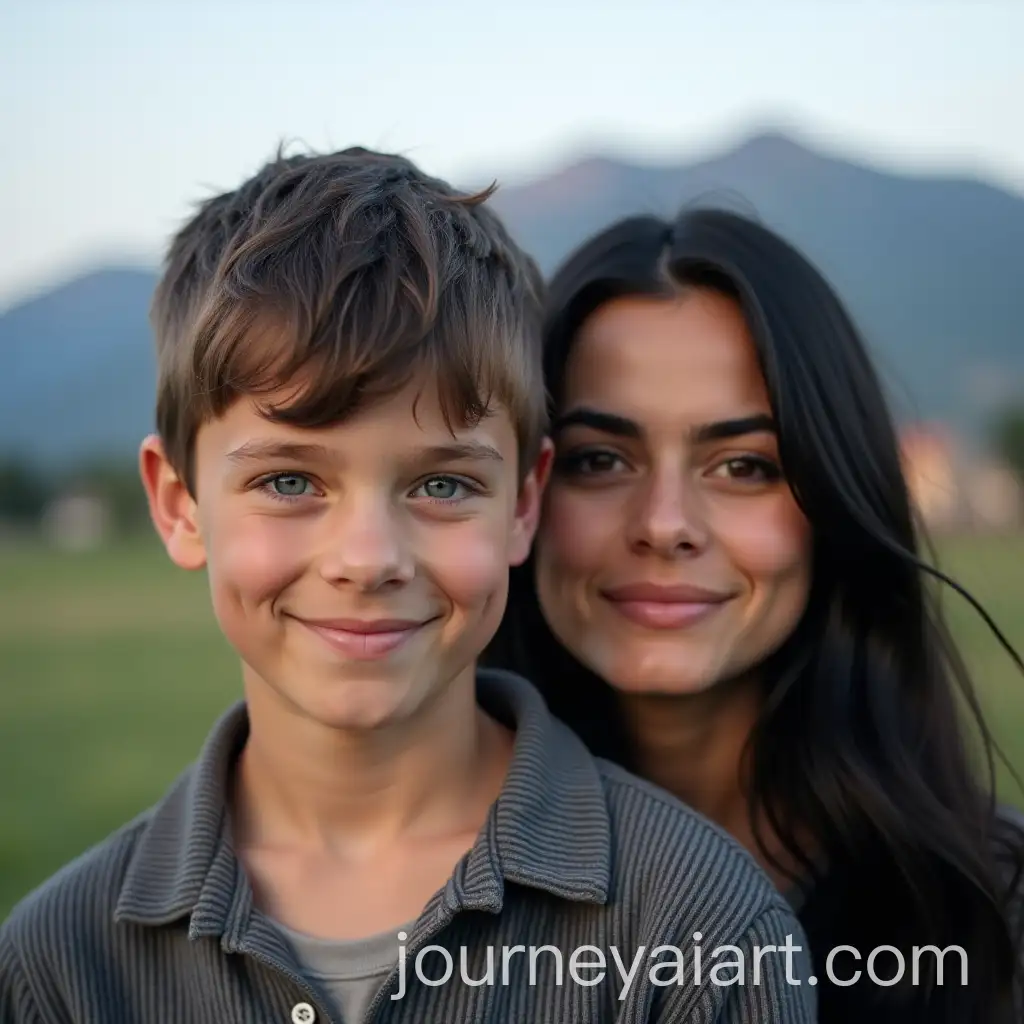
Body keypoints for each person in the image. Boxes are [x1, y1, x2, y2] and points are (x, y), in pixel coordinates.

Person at [0, 151, 817, 1023]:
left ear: (523, 502)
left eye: (441, 485)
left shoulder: (704, 930)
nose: (366, 557)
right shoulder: (57, 965)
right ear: (179, 505)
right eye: (288, 482)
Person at [483, 207, 1024, 1022]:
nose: (666, 523)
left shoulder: (993, 911)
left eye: (743, 465)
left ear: (834, 501)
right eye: (600, 460)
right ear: (525, 493)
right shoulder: (427, 898)